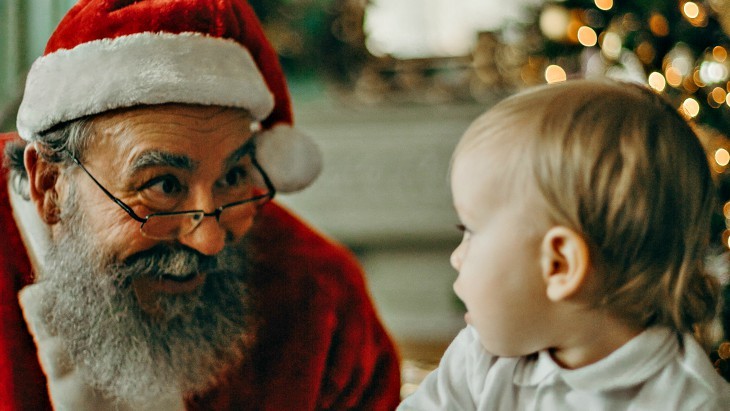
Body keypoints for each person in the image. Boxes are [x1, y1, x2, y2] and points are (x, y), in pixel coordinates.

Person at [0, 0, 401, 409]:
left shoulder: (320, 298)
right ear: (50, 185)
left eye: (232, 178)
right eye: (163, 185)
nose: (208, 240)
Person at [398, 79, 730, 410]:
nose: (457, 257)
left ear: (560, 264)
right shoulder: (479, 360)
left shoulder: (691, 402)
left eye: (469, 229)